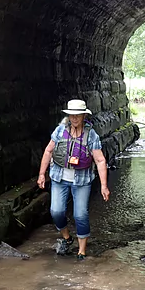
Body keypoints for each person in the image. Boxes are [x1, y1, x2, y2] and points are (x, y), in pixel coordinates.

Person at [37, 98, 110, 260]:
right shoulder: (60, 131)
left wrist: (104, 185)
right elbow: (48, 151)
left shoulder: (91, 135)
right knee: (56, 211)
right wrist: (42, 174)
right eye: (72, 115)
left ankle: (81, 252)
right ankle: (67, 238)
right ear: (68, 116)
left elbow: (100, 160)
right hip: (59, 177)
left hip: (82, 181)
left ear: (84, 116)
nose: (75, 118)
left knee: (80, 215)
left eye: (78, 115)